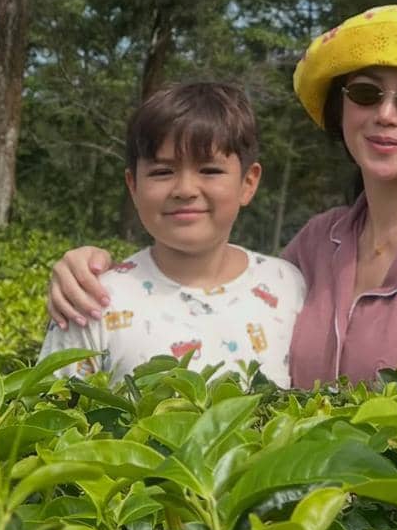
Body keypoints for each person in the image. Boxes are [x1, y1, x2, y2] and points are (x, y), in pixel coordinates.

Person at [47, 5, 397, 385]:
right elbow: (216, 283)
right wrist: (85, 266)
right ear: (342, 109)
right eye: (364, 92)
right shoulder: (316, 246)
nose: (385, 113)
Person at [39, 81, 305, 385]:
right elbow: (51, 415)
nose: (185, 190)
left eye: (210, 170)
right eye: (162, 172)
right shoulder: (91, 301)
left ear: (248, 183)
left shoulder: (288, 286)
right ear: (133, 186)